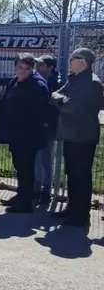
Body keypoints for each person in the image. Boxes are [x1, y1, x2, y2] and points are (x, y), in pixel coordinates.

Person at [51, 48, 102, 228]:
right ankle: (72, 208)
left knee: (81, 176)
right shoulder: (74, 78)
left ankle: (81, 215)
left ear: (83, 61)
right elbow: (56, 94)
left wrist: (63, 100)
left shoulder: (92, 83)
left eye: (73, 58)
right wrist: (62, 99)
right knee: (72, 174)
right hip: (71, 134)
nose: (69, 60)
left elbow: (74, 108)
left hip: (83, 136)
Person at [0, 54, 50, 213]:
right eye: (20, 67)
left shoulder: (37, 85)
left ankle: (25, 202)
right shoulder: (15, 80)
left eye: (27, 68)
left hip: (27, 136)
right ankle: (21, 195)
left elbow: (39, 113)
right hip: (16, 134)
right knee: (19, 166)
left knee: (26, 168)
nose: (22, 71)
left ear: (32, 69)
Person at [34, 54, 61, 205]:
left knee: (46, 159)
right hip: (36, 125)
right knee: (36, 157)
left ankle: (46, 190)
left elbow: (53, 106)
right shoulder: (38, 79)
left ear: (50, 67)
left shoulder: (56, 83)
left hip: (49, 126)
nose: (37, 67)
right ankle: (36, 188)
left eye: (41, 64)